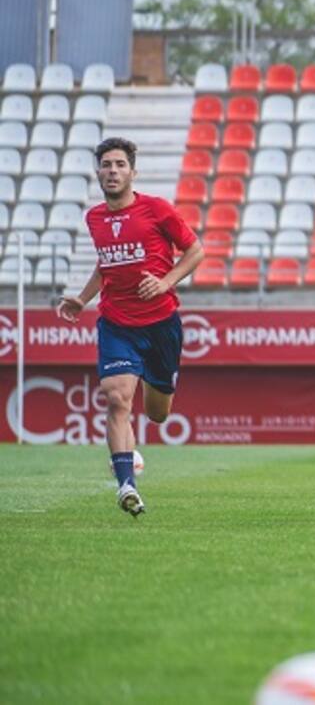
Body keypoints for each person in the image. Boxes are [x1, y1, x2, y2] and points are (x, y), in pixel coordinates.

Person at [55, 138, 204, 518]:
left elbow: (196, 250)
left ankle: (134, 448)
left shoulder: (156, 209)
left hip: (161, 325)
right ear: (98, 171)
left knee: (157, 413)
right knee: (117, 398)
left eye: (120, 164)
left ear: (132, 172)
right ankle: (126, 486)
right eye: (106, 164)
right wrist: (82, 299)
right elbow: (106, 264)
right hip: (117, 323)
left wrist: (166, 281)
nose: (113, 171)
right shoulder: (94, 218)